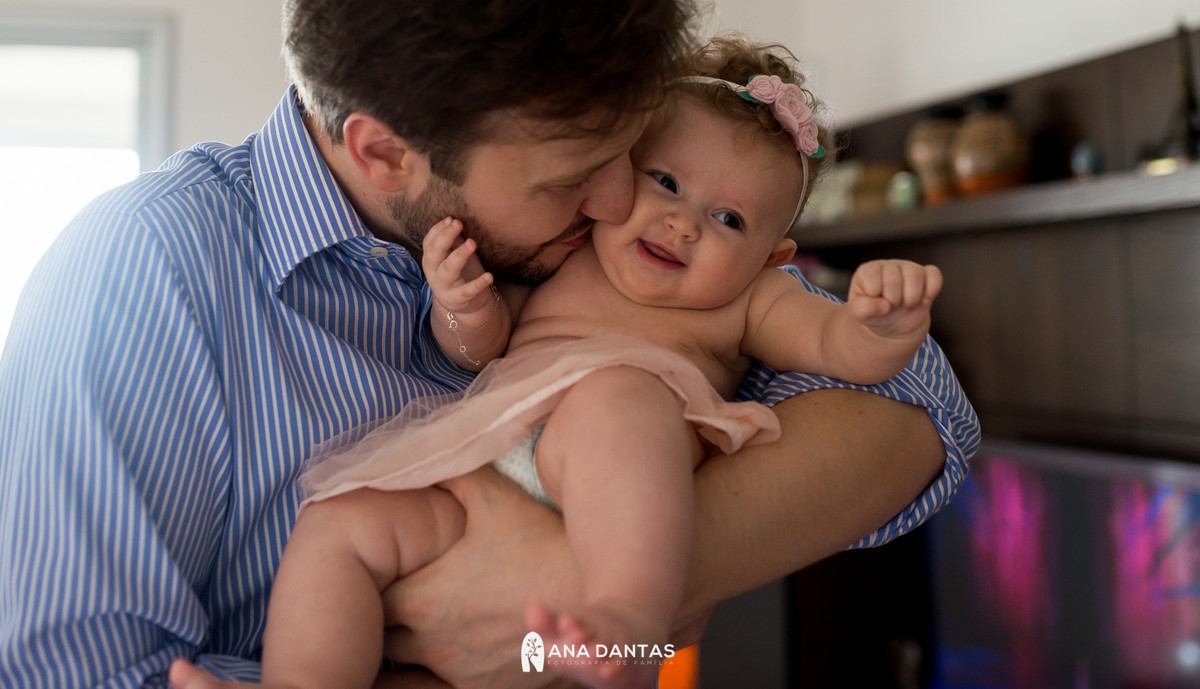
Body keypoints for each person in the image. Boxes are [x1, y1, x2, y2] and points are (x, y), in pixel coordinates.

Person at [0, 0, 978, 688]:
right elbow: (72, 672)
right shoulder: (146, 275)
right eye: (567, 178)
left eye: (629, 157)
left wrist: (590, 586)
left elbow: (915, 400)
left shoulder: (623, 245)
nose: (613, 206)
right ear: (385, 152)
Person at [171, 37, 947, 689]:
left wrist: (880, 322)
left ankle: (627, 617)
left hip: (608, 488)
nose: (681, 222)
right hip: (485, 467)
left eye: (728, 218)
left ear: (771, 254)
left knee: (616, 396)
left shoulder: (752, 296)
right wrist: (464, 306)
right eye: (666, 182)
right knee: (340, 523)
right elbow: (476, 349)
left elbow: (841, 352)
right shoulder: (569, 244)